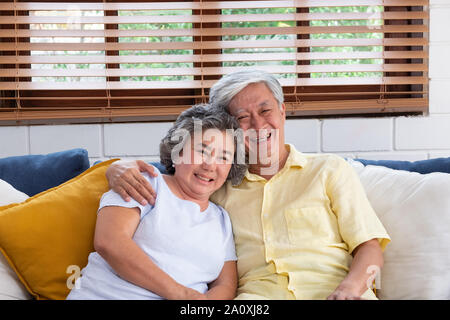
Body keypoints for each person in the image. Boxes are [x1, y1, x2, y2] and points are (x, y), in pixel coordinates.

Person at [105, 70, 391, 300]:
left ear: (282, 111)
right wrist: (116, 167)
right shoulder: (217, 187)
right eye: (242, 117)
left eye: (265, 110)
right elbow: (175, 176)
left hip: (335, 292)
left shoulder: (329, 170)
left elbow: (369, 247)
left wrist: (351, 290)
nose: (257, 124)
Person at [66, 104, 247, 300]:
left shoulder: (222, 220)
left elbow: (226, 283)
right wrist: (180, 294)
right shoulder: (144, 182)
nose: (210, 165)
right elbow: (109, 242)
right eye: (202, 151)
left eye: (223, 157)